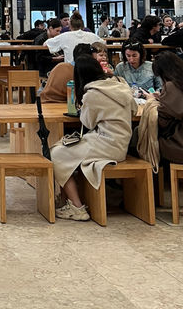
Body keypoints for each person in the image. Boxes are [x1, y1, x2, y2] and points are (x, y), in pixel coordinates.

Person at [49, 56, 136, 221]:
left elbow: (87, 122)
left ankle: (76, 206)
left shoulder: (93, 94)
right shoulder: (120, 86)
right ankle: (71, 200)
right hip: (122, 142)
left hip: (105, 143)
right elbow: (133, 110)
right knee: (66, 150)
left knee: (56, 153)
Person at [152, 51, 183, 164]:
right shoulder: (179, 82)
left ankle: (157, 180)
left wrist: (154, 101)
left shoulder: (172, 86)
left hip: (179, 144)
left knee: (144, 140)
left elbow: (162, 122)